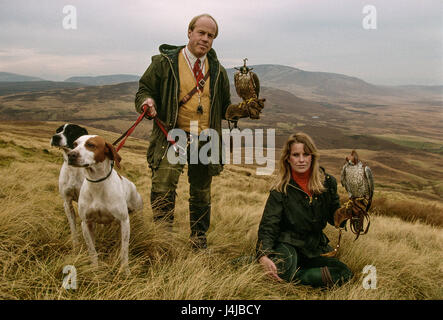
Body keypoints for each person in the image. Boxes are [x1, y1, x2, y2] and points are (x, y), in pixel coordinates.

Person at [135, 14, 264, 249]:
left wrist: (241, 110)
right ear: (189, 32)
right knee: (163, 187)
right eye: (201, 33)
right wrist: (147, 102)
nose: (205, 39)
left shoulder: (218, 71)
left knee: (202, 194)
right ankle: (163, 241)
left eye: (210, 35)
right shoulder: (164, 63)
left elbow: (224, 107)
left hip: (206, 138)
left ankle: (199, 241)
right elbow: (143, 90)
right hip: (172, 136)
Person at [256, 132, 353, 287]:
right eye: (296, 154)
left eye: (306, 154)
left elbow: (334, 218)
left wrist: (349, 213)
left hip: (315, 246)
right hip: (287, 244)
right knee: (283, 268)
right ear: (288, 158)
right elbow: (269, 225)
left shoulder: (327, 183)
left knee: (344, 273)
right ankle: (275, 269)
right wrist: (263, 256)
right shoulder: (280, 189)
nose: (301, 160)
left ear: (312, 156)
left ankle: (295, 276)